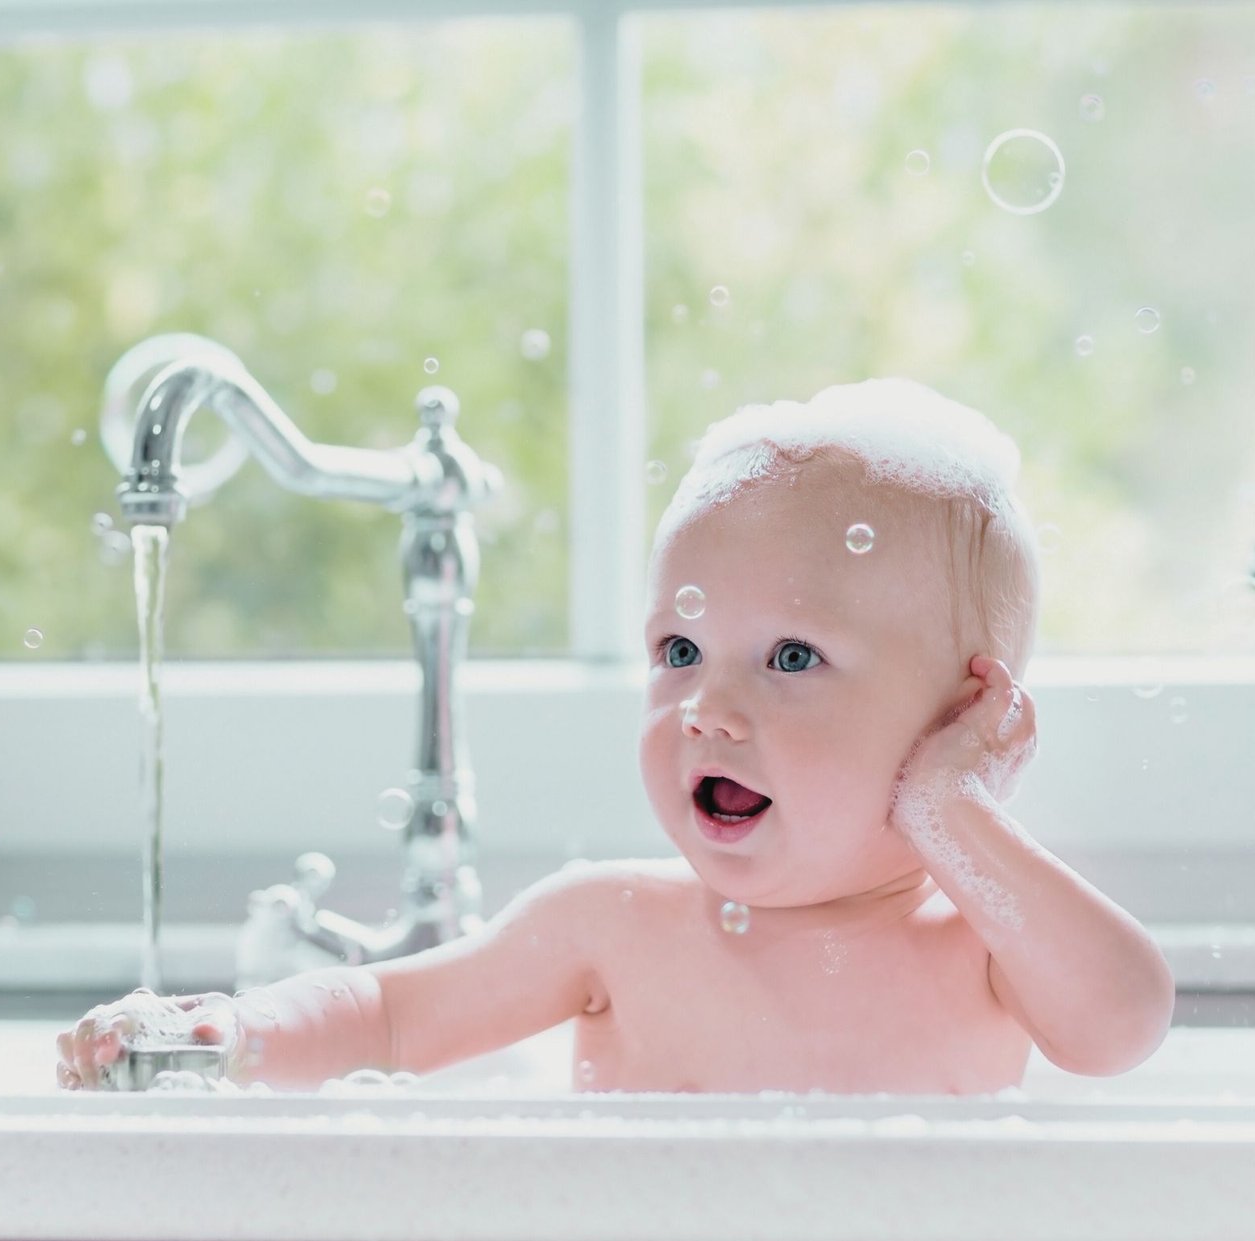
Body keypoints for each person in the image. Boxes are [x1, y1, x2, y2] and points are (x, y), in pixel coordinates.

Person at [57, 377, 1174, 1094]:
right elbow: (387, 1011)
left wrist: (951, 815)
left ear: (965, 717)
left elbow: (1122, 1022)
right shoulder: (614, 926)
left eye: (792, 657)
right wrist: (230, 1030)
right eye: (679, 651)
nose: (706, 707)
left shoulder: (976, 942)